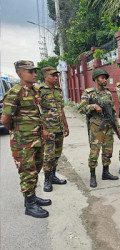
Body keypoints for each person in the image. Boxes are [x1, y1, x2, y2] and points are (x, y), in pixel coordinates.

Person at [1, 60, 51, 218]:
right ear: (19, 73)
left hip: (36, 139)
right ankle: (29, 204)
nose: (35, 74)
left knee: (36, 168)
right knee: (27, 172)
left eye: (35, 71)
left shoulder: (34, 91)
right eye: (31, 71)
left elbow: (39, 114)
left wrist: (42, 129)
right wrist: (17, 131)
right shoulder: (15, 92)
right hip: (23, 142)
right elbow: (5, 119)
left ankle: (33, 196)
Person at [78, 68, 119, 188]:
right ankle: (92, 176)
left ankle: (105, 172)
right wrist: (93, 106)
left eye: (105, 78)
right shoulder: (88, 92)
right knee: (94, 152)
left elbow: (113, 111)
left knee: (108, 151)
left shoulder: (108, 93)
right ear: (96, 79)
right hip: (96, 127)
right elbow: (81, 108)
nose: (105, 79)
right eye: (102, 77)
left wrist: (117, 125)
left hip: (108, 127)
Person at [38, 67, 69, 192]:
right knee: (49, 156)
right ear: (46, 76)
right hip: (48, 129)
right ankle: (47, 180)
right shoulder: (40, 91)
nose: (56, 78)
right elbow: (38, 112)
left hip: (59, 128)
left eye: (57, 75)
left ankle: (53, 176)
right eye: (53, 76)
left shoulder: (58, 91)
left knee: (57, 154)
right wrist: (43, 129)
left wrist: (66, 126)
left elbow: (61, 109)